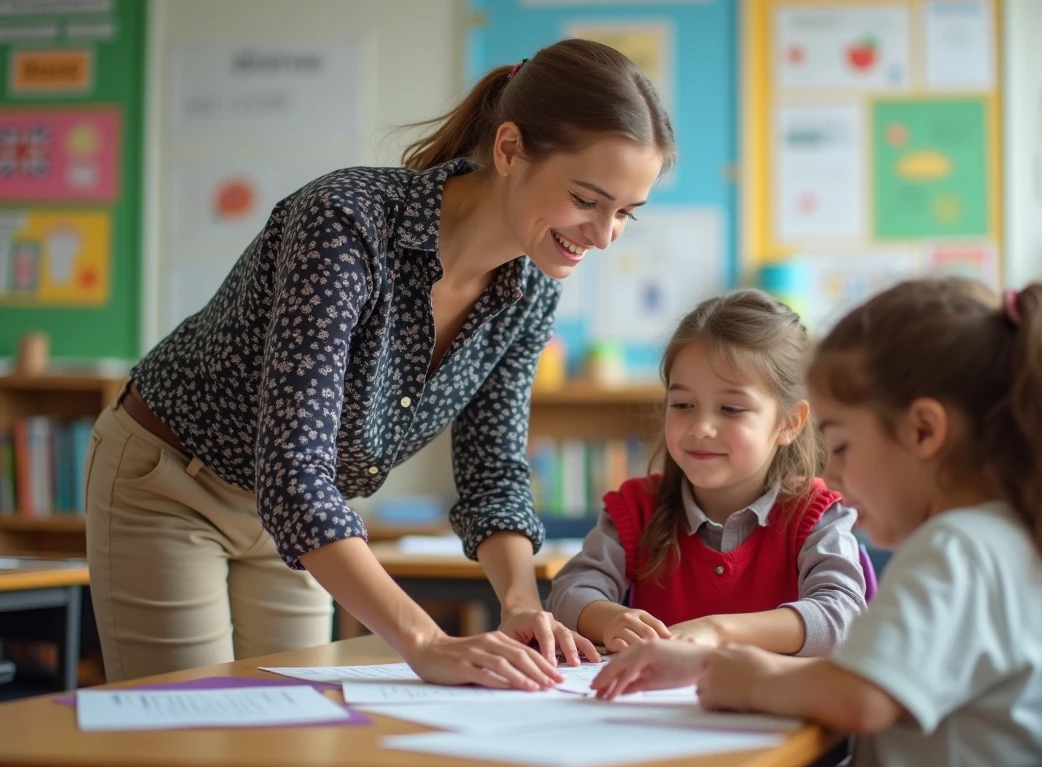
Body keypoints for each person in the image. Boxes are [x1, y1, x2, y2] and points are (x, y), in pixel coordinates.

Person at [84, 38, 675, 687]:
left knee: (293, 743)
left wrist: (521, 605)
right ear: (509, 150)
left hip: (304, 519)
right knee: (186, 737)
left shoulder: (532, 287)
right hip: (174, 484)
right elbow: (295, 470)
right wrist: (424, 642)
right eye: (587, 200)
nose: (604, 233)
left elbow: (492, 469)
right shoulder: (348, 222)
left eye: (625, 213)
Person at [591, 278, 1042, 767]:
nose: (831, 477)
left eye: (844, 446)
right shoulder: (1011, 540)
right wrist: (705, 667)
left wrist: (740, 678)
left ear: (923, 431)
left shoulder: (955, 550)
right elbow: (874, 680)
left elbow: (860, 700)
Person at [547, 289, 866, 656]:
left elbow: (841, 616)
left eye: (730, 408)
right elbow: (569, 592)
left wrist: (717, 630)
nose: (700, 427)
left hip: (772, 707)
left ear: (789, 423)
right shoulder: (636, 508)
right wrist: (610, 619)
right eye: (682, 404)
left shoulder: (816, 515)